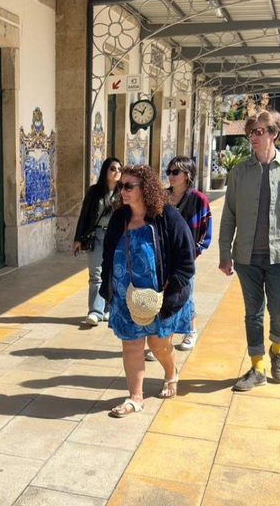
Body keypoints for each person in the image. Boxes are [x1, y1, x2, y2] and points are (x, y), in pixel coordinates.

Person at [219, 109, 280, 391]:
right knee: (253, 313)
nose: (254, 137)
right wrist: (224, 252)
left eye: (260, 132)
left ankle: (277, 350)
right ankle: (257, 367)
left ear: (274, 134)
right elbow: (229, 214)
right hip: (246, 256)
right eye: (251, 132)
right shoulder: (239, 171)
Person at [101, 165, 195, 416]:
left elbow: (186, 260)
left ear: (146, 189)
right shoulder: (119, 218)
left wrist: (171, 289)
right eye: (121, 186)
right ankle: (135, 398)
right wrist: (107, 286)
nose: (123, 191)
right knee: (131, 346)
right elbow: (108, 254)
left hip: (159, 298)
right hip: (125, 298)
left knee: (158, 344)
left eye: (129, 186)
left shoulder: (167, 217)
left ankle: (170, 372)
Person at [166, 156, 212, 350]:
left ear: (187, 174)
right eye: (168, 171)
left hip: (185, 257)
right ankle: (163, 338)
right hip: (164, 256)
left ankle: (190, 331)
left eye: (175, 172)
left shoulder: (198, 199)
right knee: (165, 295)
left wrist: (195, 251)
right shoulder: (162, 196)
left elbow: (205, 228)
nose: (170, 176)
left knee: (185, 292)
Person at [72, 157, 122, 326]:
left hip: (116, 236)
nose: (116, 172)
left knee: (113, 273)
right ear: (105, 171)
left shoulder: (123, 192)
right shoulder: (94, 191)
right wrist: (77, 239)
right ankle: (95, 311)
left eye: (119, 169)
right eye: (113, 169)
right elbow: (84, 215)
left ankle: (109, 308)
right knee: (96, 274)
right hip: (97, 235)